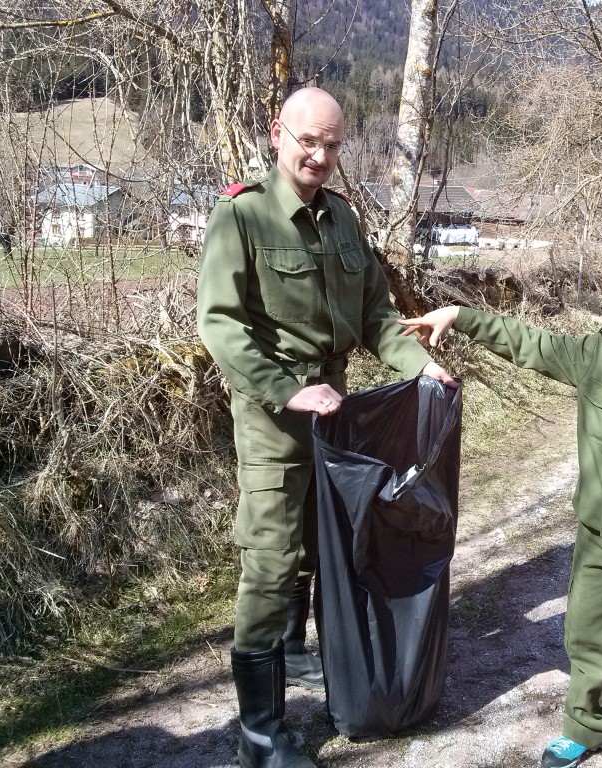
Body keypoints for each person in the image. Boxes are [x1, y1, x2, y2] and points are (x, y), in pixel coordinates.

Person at [399, 242, 602, 768]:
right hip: (596, 539)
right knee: (586, 638)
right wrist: (459, 316)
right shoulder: (597, 355)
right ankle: (587, 728)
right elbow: (528, 342)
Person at [197, 86, 455, 768]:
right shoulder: (242, 216)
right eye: (307, 141)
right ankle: (261, 731)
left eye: (332, 145)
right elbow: (220, 325)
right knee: (273, 557)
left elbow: (375, 315)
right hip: (273, 414)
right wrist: (288, 389)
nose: (319, 156)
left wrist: (421, 364)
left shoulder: (342, 220)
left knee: (322, 544)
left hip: (335, 409)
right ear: (276, 131)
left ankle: (296, 653)